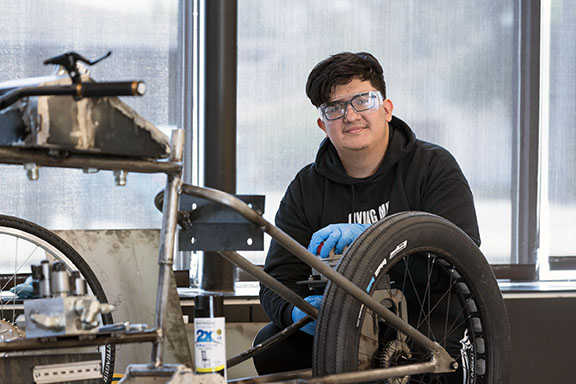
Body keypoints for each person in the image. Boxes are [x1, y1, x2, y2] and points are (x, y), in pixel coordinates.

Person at [253, 52, 480, 375]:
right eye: (335, 108)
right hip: (343, 317)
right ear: (322, 124)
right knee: (272, 346)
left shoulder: (433, 167)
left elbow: (464, 253)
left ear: (386, 109)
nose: (350, 115)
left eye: (363, 100)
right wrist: (298, 313)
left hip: (428, 315)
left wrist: (377, 241)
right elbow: (278, 278)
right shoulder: (307, 188)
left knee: (425, 352)